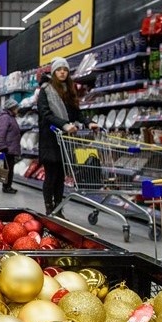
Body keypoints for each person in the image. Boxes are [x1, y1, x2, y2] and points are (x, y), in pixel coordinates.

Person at [36, 56, 98, 217]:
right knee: (51, 176)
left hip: (65, 140)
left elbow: (76, 112)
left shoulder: (69, 90)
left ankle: (58, 209)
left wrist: (88, 122)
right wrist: (64, 124)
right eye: (59, 70)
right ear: (54, 72)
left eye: (65, 70)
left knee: (61, 176)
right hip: (50, 139)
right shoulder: (45, 90)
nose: (62, 72)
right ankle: (49, 208)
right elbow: (45, 114)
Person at [0, 98, 22, 194]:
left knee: (9, 168)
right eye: (16, 107)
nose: (18, 109)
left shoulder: (11, 117)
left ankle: (7, 186)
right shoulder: (5, 117)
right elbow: (1, 132)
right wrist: (2, 146)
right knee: (8, 169)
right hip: (7, 148)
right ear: (12, 108)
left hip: (11, 147)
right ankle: (6, 187)